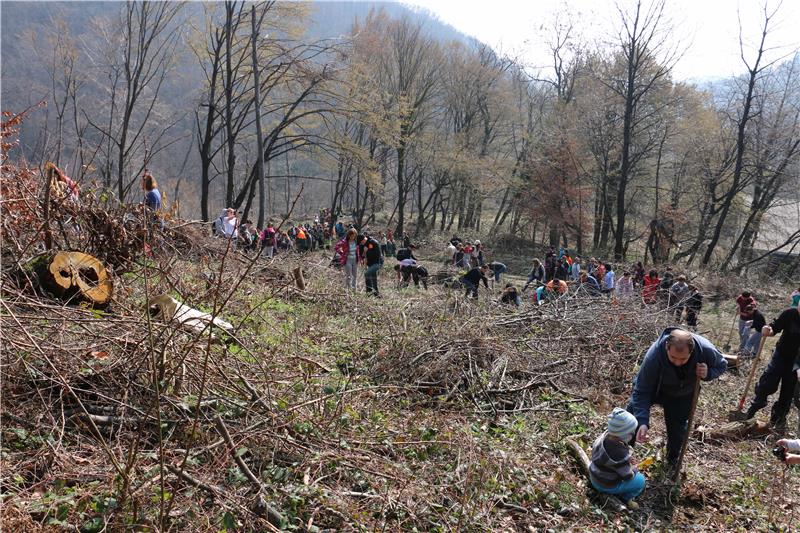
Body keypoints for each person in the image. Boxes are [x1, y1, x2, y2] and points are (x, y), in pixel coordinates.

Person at [628, 328, 727, 466]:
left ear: (691, 352)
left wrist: (708, 373)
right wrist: (642, 421)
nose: (677, 362)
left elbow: (722, 365)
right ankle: (623, 452)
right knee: (630, 418)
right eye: (673, 357)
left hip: (683, 393)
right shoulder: (654, 355)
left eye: (683, 359)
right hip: (655, 389)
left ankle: (672, 459)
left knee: (678, 428)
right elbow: (641, 390)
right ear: (667, 347)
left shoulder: (705, 349)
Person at [744, 298, 800, 431]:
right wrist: (767, 330)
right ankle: (755, 406)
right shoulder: (789, 314)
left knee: (788, 391)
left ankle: (778, 419)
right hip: (781, 355)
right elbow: (774, 328)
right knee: (768, 380)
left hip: (797, 362)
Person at [589, 408, 646, 508]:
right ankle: (626, 498)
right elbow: (628, 476)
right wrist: (634, 468)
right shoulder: (619, 453)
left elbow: (615, 460)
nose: (632, 434)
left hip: (594, 475)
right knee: (641, 480)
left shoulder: (604, 437)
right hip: (605, 484)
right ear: (624, 435)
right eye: (631, 432)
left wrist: (626, 459)